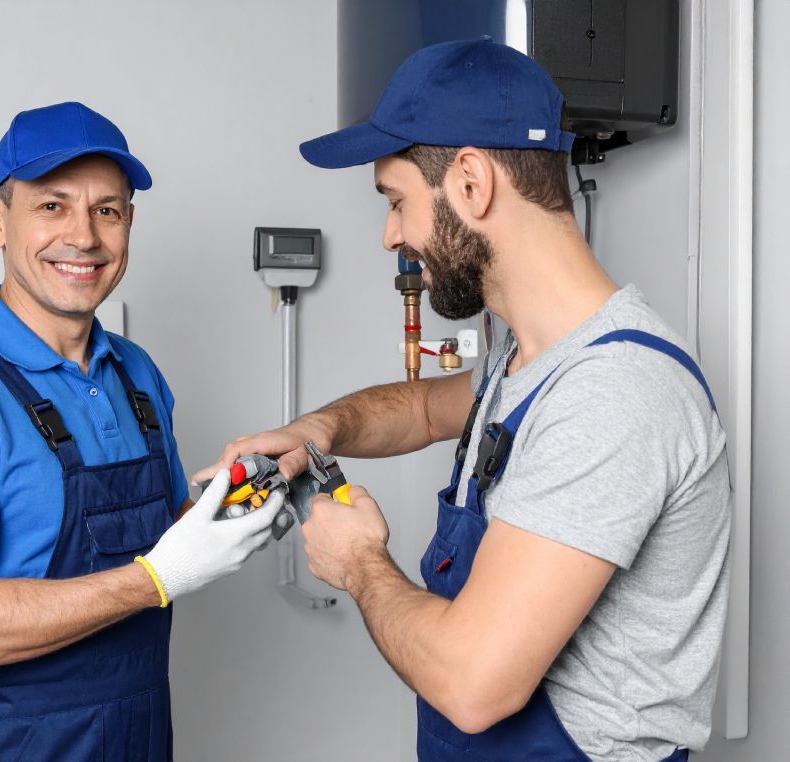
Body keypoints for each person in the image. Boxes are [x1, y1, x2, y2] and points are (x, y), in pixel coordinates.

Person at [198, 40, 730, 761]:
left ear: (472, 183)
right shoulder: (530, 360)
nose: (392, 236)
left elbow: (476, 684)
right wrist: (317, 429)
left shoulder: (615, 396)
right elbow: (420, 410)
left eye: (395, 202)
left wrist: (359, 565)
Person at [0, 101, 281, 762]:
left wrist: (227, 510)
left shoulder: (136, 373)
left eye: (106, 210)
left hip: (138, 735)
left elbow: (163, 537)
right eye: (52, 206)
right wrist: (156, 578)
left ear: (128, 224)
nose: (83, 237)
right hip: (6, 746)